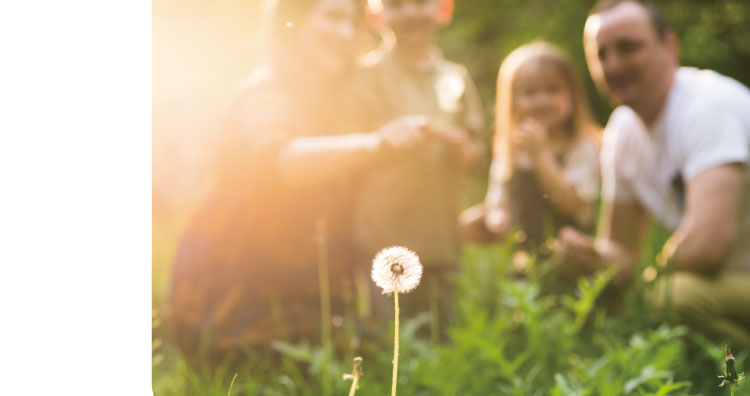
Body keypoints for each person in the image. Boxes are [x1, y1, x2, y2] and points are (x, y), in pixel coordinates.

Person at [167, 0, 431, 359]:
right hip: (234, 294)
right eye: (333, 17)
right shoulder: (264, 93)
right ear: (294, 21)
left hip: (314, 296)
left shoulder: (345, 98)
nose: (346, 33)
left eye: (354, 21)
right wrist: (377, 144)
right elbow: (282, 162)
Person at [558, 0, 750, 348]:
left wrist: (645, 282)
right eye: (601, 55)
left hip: (734, 278)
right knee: (617, 298)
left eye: (628, 48)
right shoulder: (623, 130)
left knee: (670, 299)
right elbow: (622, 250)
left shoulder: (709, 107)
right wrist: (592, 257)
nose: (614, 65)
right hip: (729, 286)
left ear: (670, 45)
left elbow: (708, 246)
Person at [348, 0, 487, 335]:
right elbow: (349, 150)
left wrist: (462, 150)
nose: (410, 12)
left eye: (420, 2)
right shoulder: (363, 76)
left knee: (438, 339)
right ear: (375, 14)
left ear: (443, 9)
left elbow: (476, 153)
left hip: (441, 243)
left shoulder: (455, 77)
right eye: (396, 4)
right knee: (384, 341)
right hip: (378, 241)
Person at [460, 42, 601, 254]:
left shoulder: (581, 148)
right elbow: (499, 204)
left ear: (573, 95)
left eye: (552, 90)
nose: (541, 100)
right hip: (523, 264)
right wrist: (493, 220)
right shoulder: (511, 151)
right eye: (530, 93)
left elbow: (575, 207)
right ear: (513, 101)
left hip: (572, 261)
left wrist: (541, 155)